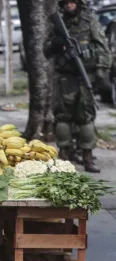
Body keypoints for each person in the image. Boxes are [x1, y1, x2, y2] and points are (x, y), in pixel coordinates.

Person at [44, 0, 111, 173]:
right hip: (64, 78)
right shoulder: (58, 23)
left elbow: (103, 48)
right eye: (66, 2)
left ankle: (87, 157)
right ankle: (64, 156)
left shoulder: (89, 22)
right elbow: (46, 49)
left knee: (85, 118)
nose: (69, 5)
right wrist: (55, 44)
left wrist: (102, 73)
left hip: (84, 76)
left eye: (73, 2)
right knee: (63, 118)